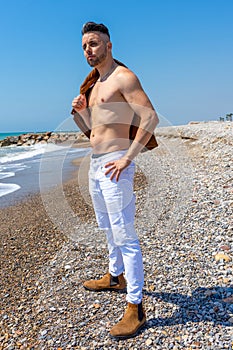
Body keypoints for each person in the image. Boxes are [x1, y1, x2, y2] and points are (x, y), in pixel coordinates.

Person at [72, 22, 159, 339]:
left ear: (109, 45)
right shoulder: (94, 86)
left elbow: (150, 116)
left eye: (93, 43)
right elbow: (94, 129)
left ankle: (135, 306)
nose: (88, 50)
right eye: (84, 46)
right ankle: (114, 276)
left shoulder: (124, 77)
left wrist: (127, 158)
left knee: (125, 233)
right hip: (96, 165)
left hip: (115, 163)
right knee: (106, 225)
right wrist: (80, 112)